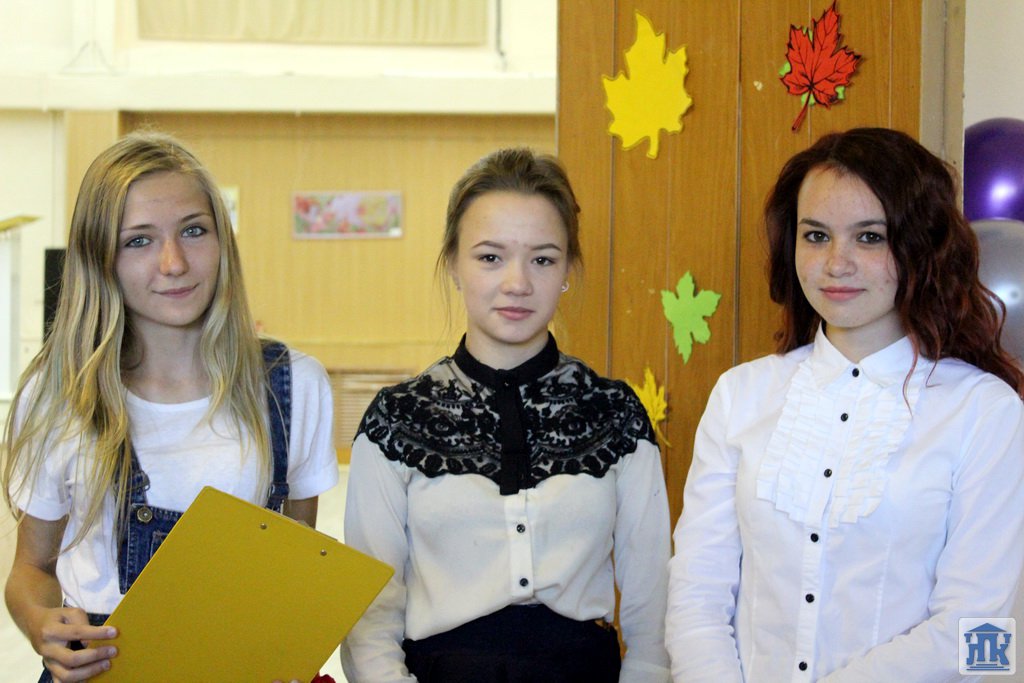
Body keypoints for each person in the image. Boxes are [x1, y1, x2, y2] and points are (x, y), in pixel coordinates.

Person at [665, 127, 1024, 681]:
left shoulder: (985, 411)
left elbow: (979, 630)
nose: (836, 263)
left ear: (920, 246)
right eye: (816, 235)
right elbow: (696, 593)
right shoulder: (740, 394)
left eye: (869, 237)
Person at [2, 131, 338, 682]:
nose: (174, 262)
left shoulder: (292, 386)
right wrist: (42, 624)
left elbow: (297, 561)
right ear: (99, 257)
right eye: (138, 240)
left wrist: (288, 643)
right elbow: (31, 570)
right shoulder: (59, 394)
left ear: (223, 240)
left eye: (193, 230)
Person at [340, 147, 672, 682]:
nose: (518, 283)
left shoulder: (615, 414)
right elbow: (369, 622)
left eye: (543, 259)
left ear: (568, 269)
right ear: (453, 264)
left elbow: (652, 618)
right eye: (490, 257)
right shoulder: (395, 420)